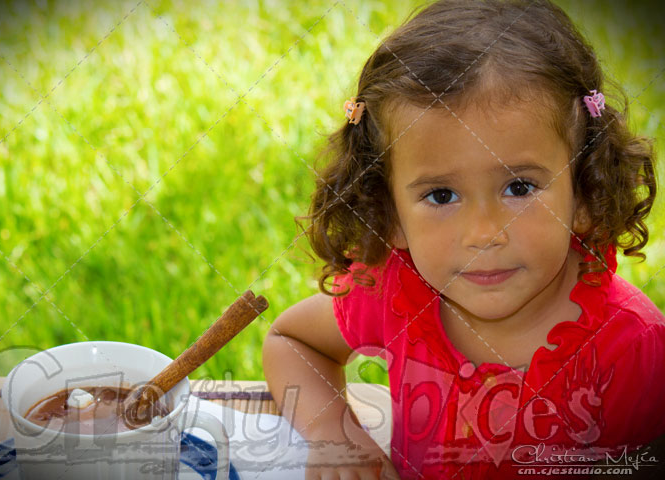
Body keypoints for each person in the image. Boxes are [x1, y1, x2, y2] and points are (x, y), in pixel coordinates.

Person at [262, 0, 664, 478]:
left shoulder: (631, 347)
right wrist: (337, 438)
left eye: (519, 187)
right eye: (441, 194)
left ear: (583, 191)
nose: (483, 234)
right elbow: (292, 341)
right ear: (389, 213)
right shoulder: (395, 291)